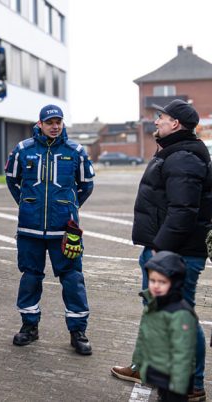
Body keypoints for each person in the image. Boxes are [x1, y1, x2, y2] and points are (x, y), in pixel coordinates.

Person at [111, 99, 212, 402]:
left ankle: (192, 384)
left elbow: (183, 211)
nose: (156, 121)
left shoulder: (183, 157)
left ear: (176, 124)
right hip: (166, 249)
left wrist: (161, 252)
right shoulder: (175, 151)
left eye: (161, 117)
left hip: (175, 254)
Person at [4, 104, 95, 355]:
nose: (54, 126)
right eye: (49, 122)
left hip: (64, 231)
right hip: (29, 231)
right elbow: (12, 181)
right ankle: (29, 327)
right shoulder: (23, 150)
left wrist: (70, 208)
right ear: (40, 124)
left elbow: (86, 185)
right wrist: (27, 204)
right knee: (30, 278)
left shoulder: (75, 151)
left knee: (73, 279)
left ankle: (78, 332)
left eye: (58, 121)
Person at [131, 251, 197, 402]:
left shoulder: (180, 313)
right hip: (159, 371)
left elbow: (184, 353)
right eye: (153, 280)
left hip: (175, 378)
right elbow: (144, 337)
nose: (156, 286)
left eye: (162, 282)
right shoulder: (155, 304)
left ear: (174, 283)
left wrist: (179, 385)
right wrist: (140, 362)